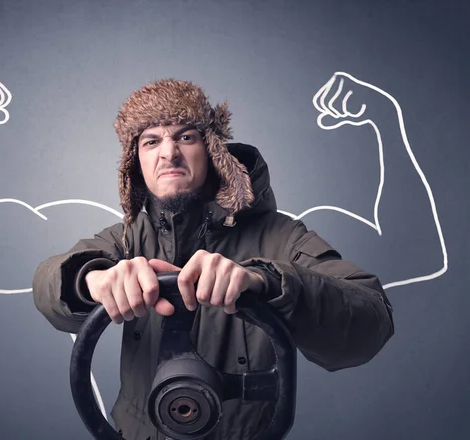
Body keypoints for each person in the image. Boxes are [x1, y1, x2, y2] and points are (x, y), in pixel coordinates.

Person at [32, 79, 395, 440]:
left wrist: (267, 282)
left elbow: (370, 322)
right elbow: (47, 285)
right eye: (151, 141)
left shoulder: (283, 237)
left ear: (212, 150)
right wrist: (90, 280)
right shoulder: (127, 239)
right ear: (135, 163)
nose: (168, 153)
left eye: (186, 137)